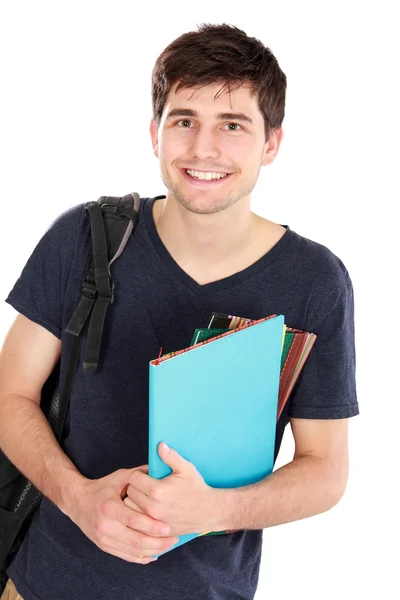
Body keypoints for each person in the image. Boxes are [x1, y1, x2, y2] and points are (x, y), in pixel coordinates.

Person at [0, 22, 358, 600]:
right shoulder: (85, 238)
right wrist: (77, 498)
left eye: (233, 125)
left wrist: (215, 509)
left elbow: (325, 468)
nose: (203, 149)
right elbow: (8, 393)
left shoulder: (314, 281)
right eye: (184, 120)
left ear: (272, 144)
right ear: (155, 133)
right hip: (42, 585)